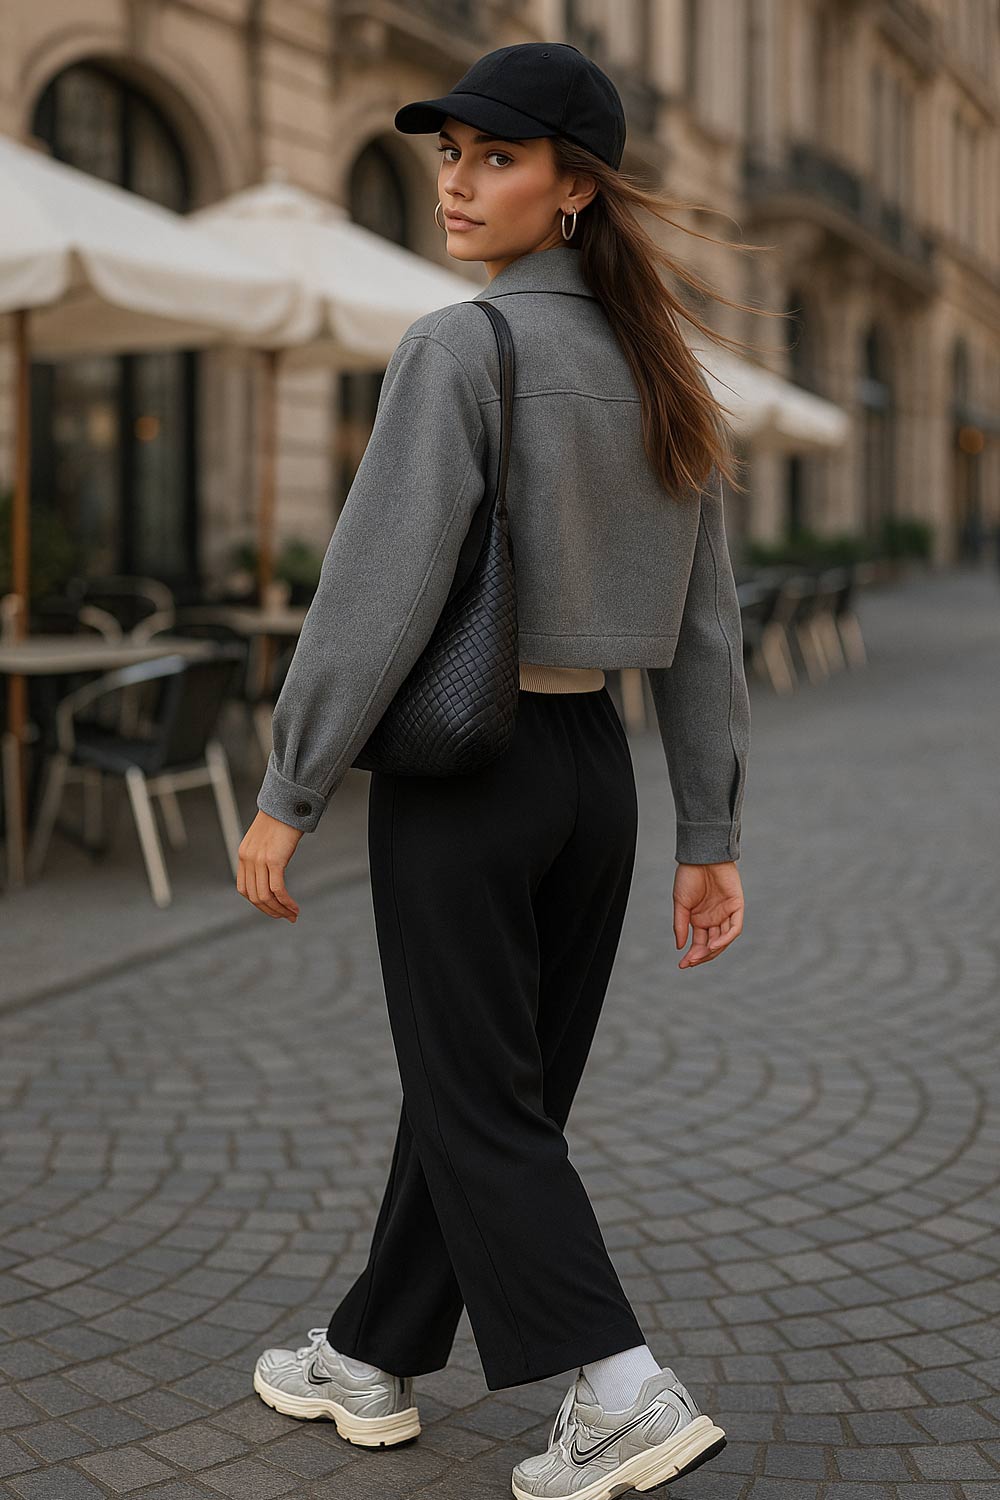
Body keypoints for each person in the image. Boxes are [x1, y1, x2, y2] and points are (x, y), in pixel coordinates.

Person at [236, 40, 754, 1500]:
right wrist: (708, 829)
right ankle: (374, 1350)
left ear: (575, 189)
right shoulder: (666, 369)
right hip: (597, 777)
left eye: (497, 157)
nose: (458, 181)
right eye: (451, 151)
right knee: (486, 1091)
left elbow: (373, 596)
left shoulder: (462, 348)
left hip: (469, 781)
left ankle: (625, 1390)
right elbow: (711, 630)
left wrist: (288, 787)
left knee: (480, 1102)